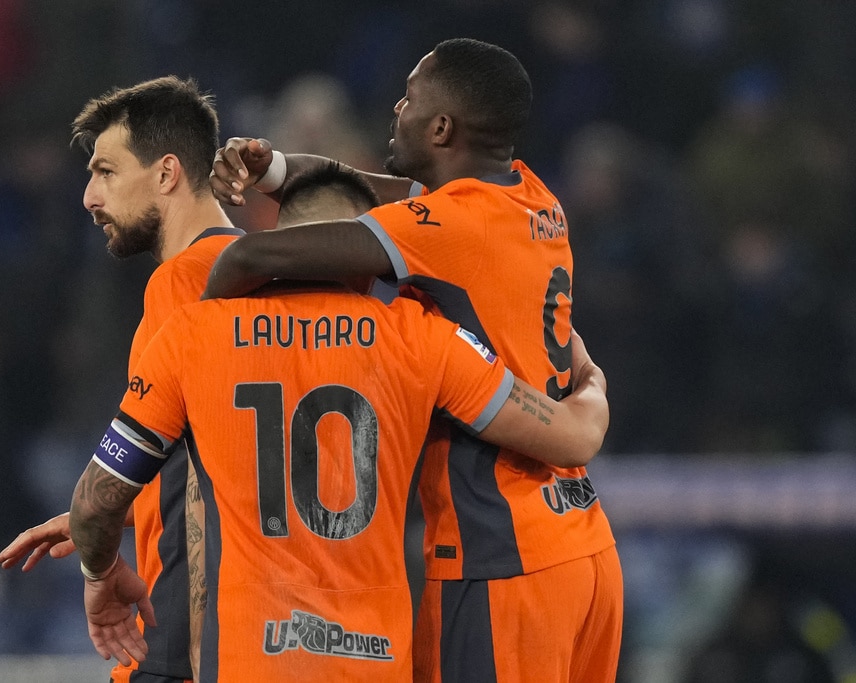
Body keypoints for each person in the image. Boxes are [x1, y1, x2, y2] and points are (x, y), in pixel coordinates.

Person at [69, 165, 611, 682]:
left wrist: (100, 572)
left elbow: (96, 503)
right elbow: (570, 437)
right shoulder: (422, 337)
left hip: (249, 660)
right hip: (374, 660)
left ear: (282, 239)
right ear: (363, 257)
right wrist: (589, 383)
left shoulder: (192, 332)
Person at [206, 38, 622, 682]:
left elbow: (253, 257)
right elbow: (381, 191)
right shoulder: (534, 198)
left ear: (441, 126)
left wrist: (209, 335)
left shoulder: (447, 229)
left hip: (499, 555)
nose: (395, 108)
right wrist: (277, 169)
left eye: (408, 97)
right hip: (583, 550)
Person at [0, 75, 245, 683]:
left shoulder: (184, 284)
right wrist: (131, 507)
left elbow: (102, 491)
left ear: (166, 174)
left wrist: (99, 559)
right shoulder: (269, 284)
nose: (88, 196)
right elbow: (233, 457)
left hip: (184, 628)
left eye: (106, 171)